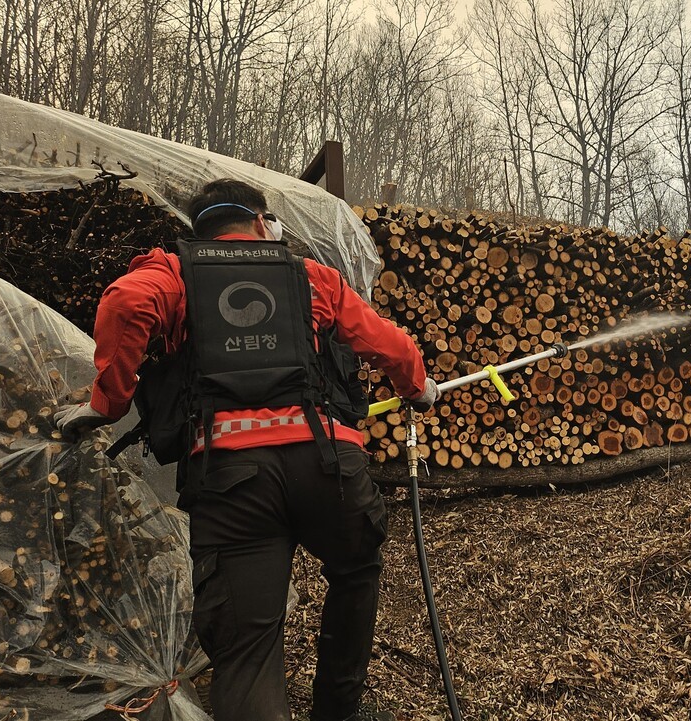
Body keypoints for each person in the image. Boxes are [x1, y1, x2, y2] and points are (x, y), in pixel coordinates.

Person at [55, 178, 437, 721]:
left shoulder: (175, 274)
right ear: (261, 223)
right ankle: (338, 709)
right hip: (328, 466)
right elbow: (390, 344)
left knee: (249, 646)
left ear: (202, 227)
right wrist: (417, 387)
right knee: (356, 568)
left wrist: (107, 403)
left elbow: (125, 302)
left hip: (231, 479)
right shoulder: (310, 277)